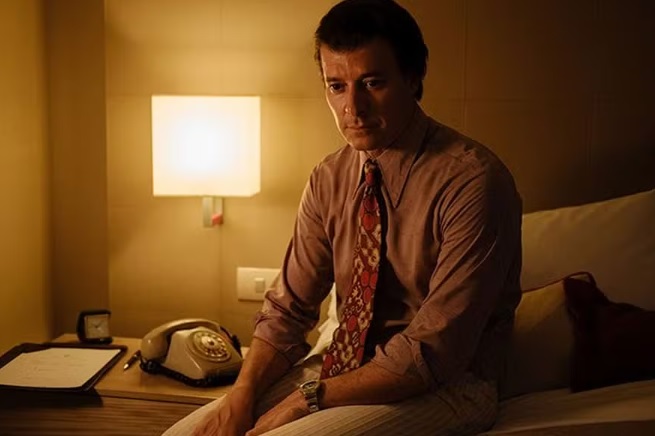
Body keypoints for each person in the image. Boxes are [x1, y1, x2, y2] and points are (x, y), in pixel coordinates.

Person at [164, 0, 522, 435]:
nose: (354, 107)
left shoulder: (473, 182)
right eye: (336, 86)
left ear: (413, 78)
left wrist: (307, 399)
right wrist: (242, 393)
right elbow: (287, 313)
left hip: (447, 386)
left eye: (372, 83)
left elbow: (434, 351)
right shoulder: (329, 178)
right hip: (339, 368)